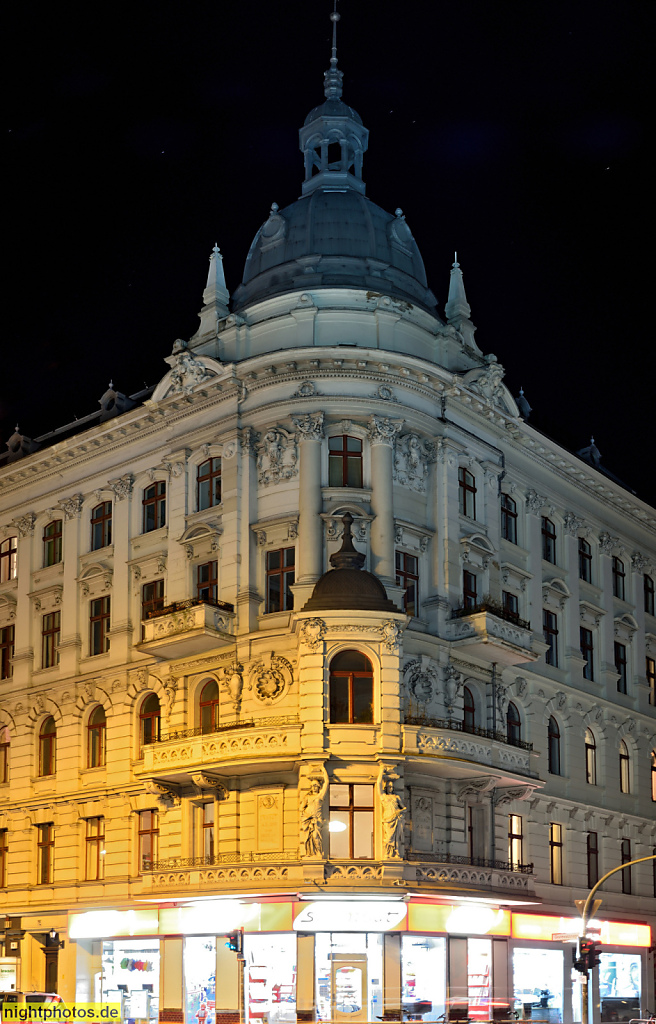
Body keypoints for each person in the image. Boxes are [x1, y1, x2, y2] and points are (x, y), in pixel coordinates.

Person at [299, 765, 328, 857]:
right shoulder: (307, 797)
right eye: (313, 786)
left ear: (319, 787)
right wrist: (304, 815)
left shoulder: (320, 796)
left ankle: (318, 852)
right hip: (308, 819)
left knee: (316, 836)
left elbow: (326, 783)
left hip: (317, 820)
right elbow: (301, 808)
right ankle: (309, 853)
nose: (314, 787)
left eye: (316, 786)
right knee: (307, 838)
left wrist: (324, 770)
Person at [377, 768, 406, 858]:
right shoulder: (383, 796)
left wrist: (399, 811)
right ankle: (387, 853)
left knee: (396, 838)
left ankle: (395, 853)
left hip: (396, 818)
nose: (391, 788)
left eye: (392, 787)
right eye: (389, 787)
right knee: (388, 837)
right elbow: (378, 784)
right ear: (386, 788)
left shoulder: (396, 797)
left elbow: (404, 808)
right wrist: (381, 772)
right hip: (388, 818)